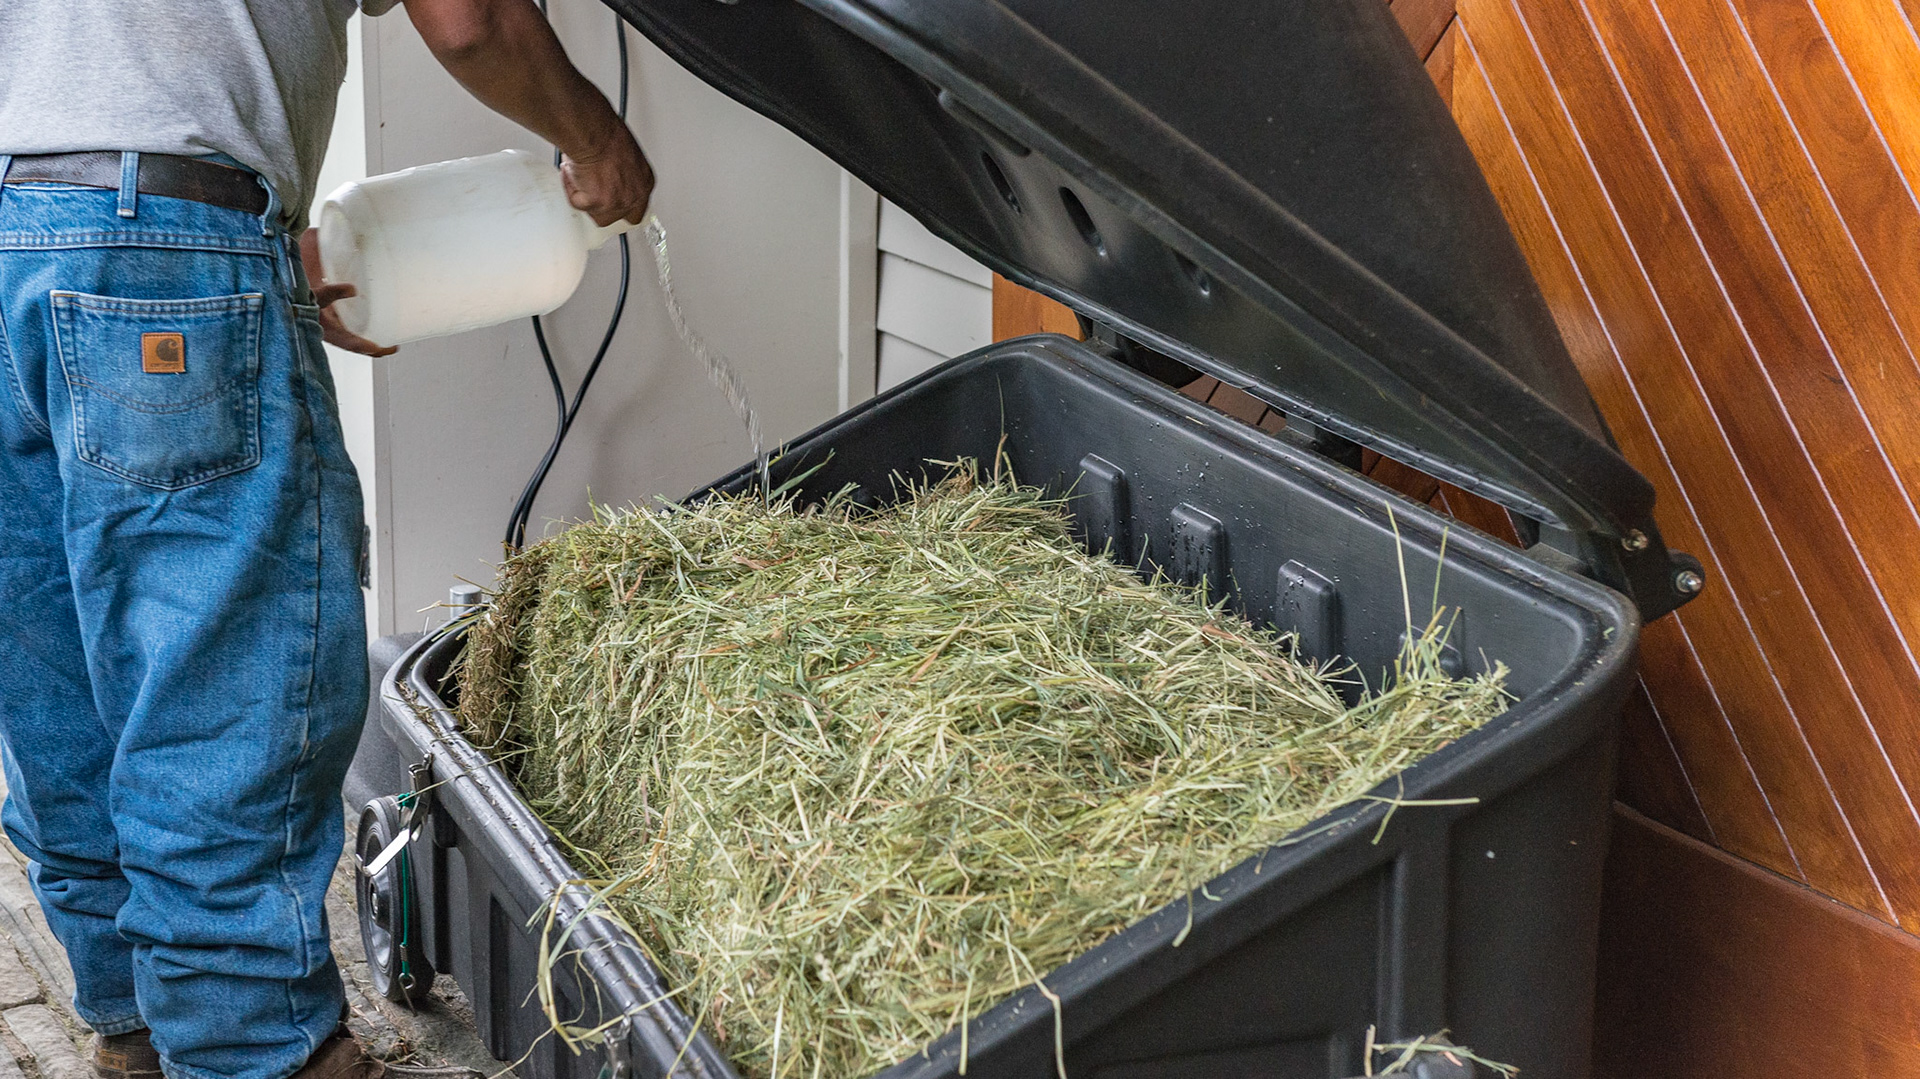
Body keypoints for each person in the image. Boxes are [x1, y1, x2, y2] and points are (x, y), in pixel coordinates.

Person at [0, 3, 653, 1079]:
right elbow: (472, 21)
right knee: (220, 695)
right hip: (154, 241)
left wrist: (234, 248)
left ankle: (139, 1026)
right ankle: (253, 1053)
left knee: (56, 681)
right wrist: (597, 142)